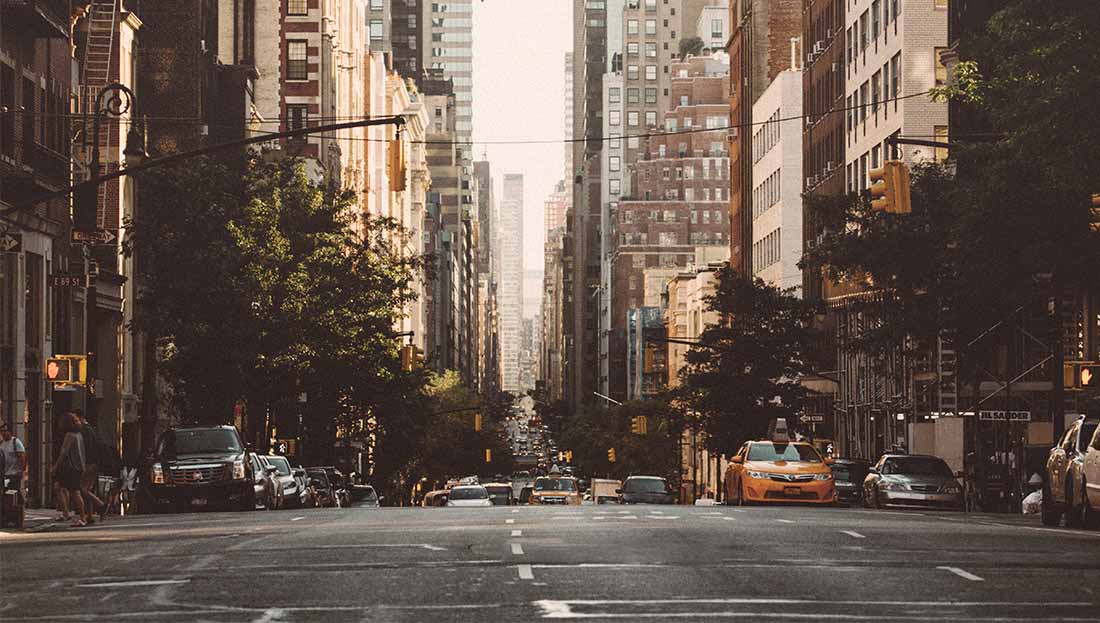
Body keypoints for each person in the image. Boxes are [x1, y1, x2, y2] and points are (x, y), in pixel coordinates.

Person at [52, 413, 87, 527]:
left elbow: (64, 453)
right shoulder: (78, 434)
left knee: (75, 492)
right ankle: (66, 513)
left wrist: (56, 467)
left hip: (71, 468)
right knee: (59, 487)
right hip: (78, 467)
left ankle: (82, 517)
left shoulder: (70, 435)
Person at [75, 410, 105, 520]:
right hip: (94, 462)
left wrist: (83, 463)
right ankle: (90, 515)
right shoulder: (91, 429)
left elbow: (86, 449)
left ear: (81, 418)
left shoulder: (85, 431)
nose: (75, 422)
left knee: (82, 488)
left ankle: (100, 505)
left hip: (89, 463)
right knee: (87, 489)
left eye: (76, 419)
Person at [1, 421, 27, 494]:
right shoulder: (2, 444)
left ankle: (19, 503)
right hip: (4, 474)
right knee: (6, 492)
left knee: (13, 492)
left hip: (14, 474)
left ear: (10, 431)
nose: (3, 433)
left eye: (5, 431)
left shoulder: (15, 442)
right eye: (2, 431)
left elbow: (23, 457)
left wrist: (22, 471)